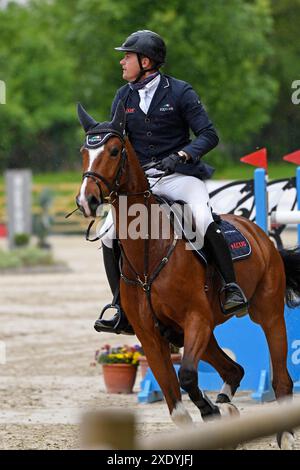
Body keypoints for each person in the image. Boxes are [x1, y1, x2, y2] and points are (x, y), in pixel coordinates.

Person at [94, 30, 247, 335]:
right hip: (143, 182)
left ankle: (231, 288)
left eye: (127, 56)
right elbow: (117, 140)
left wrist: (181, 155)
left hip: (180, 176)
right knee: (107, 234)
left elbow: (209, 135)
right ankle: (120, 305)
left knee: (202, 219)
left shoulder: (180, 92)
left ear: (146, 61)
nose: (122, 62)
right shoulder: (123, 96)